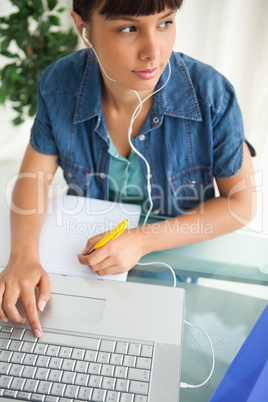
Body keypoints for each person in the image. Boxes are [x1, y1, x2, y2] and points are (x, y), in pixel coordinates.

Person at [0, 0, 256, 338]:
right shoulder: (59, 85)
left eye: (165, 23)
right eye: (128, 28)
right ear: (83, 28)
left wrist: (141, 240)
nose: (154, 51)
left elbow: (242, 204)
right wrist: (21, 256)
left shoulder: (211, 95)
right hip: (89, 268)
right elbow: (32, 181)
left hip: (174, 264)